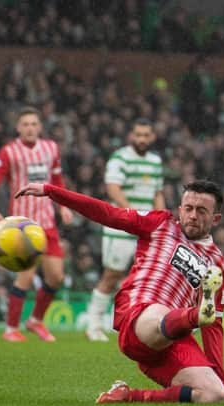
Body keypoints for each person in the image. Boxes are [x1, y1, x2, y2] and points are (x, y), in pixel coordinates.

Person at [15, 179, 224, 403]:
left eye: (202, 211)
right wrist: (52, 191)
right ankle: (194, 315)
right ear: (180, 209)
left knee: (213, 395)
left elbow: (213, 326)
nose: (193, 216)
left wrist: (222, 382)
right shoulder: (160, 223)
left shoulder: (216, 263)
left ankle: (128, 396)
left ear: (216, 219)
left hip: (170, 342)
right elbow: (108, 213)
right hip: (139, 318)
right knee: (167, 314)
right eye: (189, 208)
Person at [0, 106, 73, 342]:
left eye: (34, 124)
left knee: (56, 277)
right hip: (21, 225)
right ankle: (11, 328)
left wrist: (63, 206)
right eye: (25, 124)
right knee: (24, 277)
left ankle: (35, 321)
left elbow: (57, 180)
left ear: (40, 127)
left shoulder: (51, 148)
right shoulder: (9, 152)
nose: (30, 128)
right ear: (18, 128)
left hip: (47, 222)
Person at [85, 118, 165, 342]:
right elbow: (112, 188)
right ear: (131, 136)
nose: (141, 139)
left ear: (152, 137)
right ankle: (93, 323)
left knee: (144, 277)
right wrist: (132, 214)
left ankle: (127, 323)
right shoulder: (120, 158)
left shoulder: (155, 162)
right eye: (138, 134)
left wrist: (162, 219)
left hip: (145, 229)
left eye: (145, 135)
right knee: (112, 275)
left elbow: (157, 192)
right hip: (121, 227)